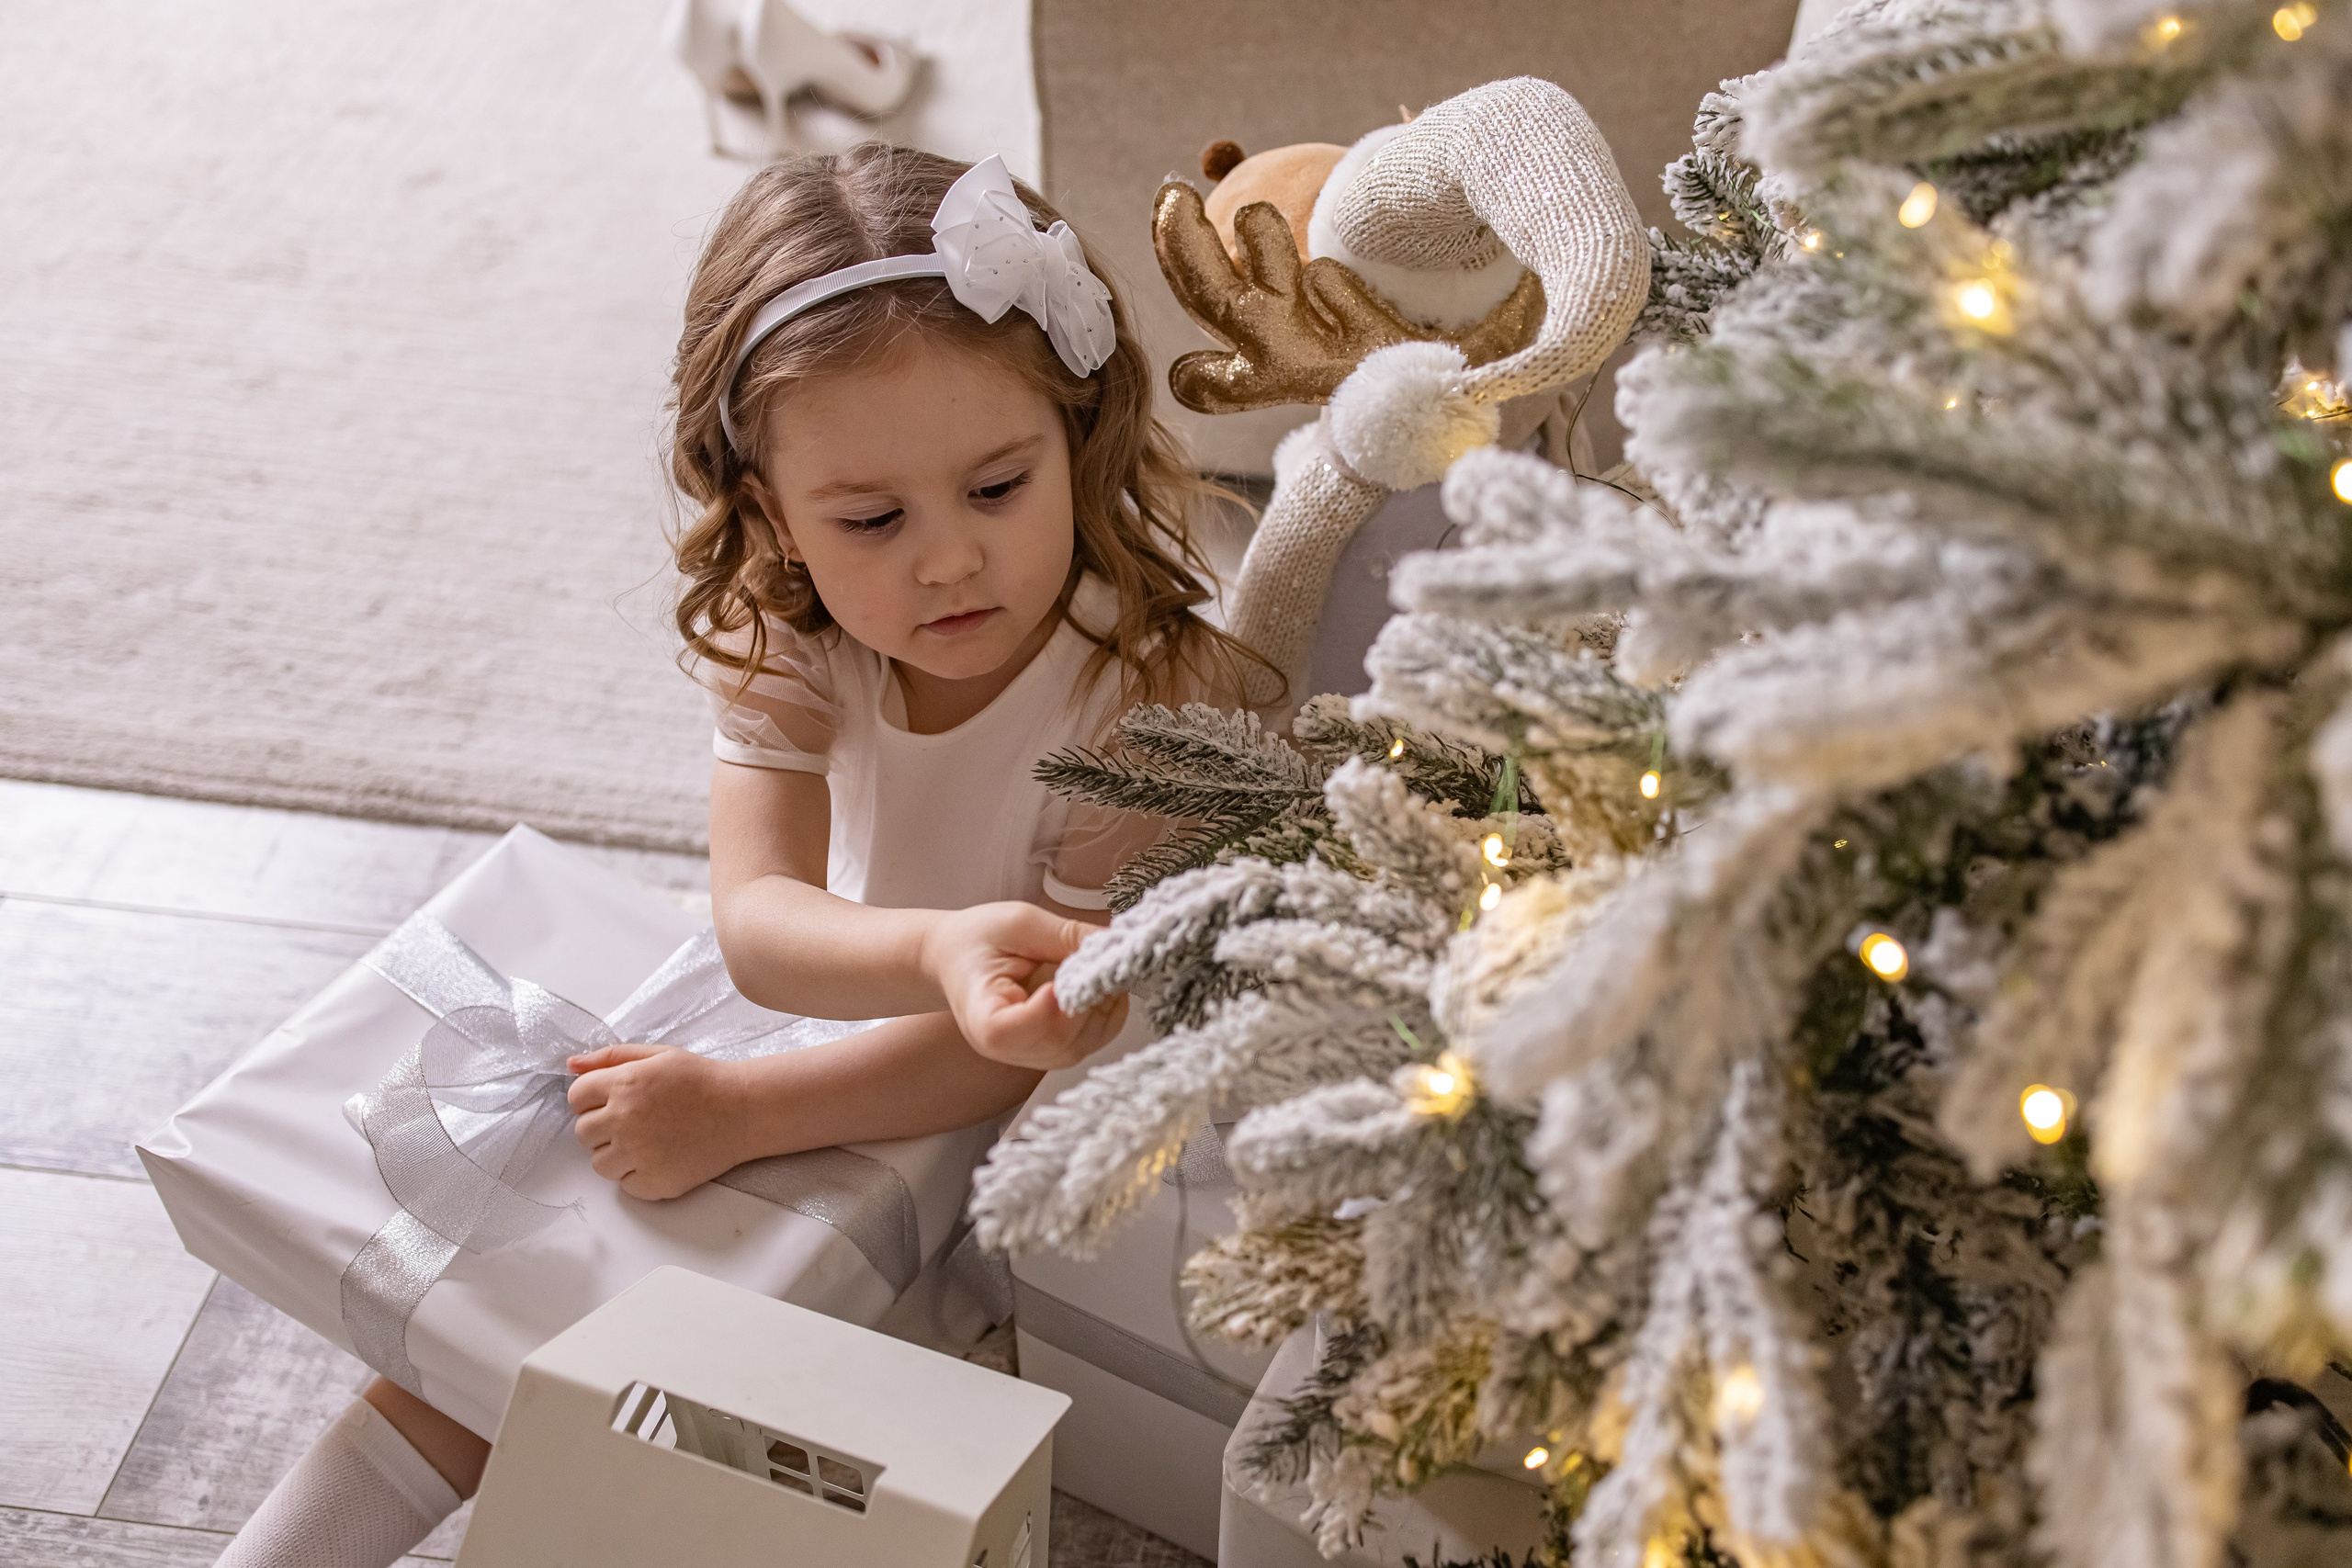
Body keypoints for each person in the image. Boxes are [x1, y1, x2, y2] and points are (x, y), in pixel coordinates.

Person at [215, 142, 1266, 1568]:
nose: (947, 563)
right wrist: (903, 971)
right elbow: (761, 921)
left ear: (1073, 438)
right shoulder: (789, 633)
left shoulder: (1139, 696)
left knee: (634, 1386)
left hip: (1010, 1133)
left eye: (999, 489)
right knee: (489, 1324)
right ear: (772, 513)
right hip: (845, 1012)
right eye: (872, 520)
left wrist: (747, 1114)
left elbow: (1030, 1046)